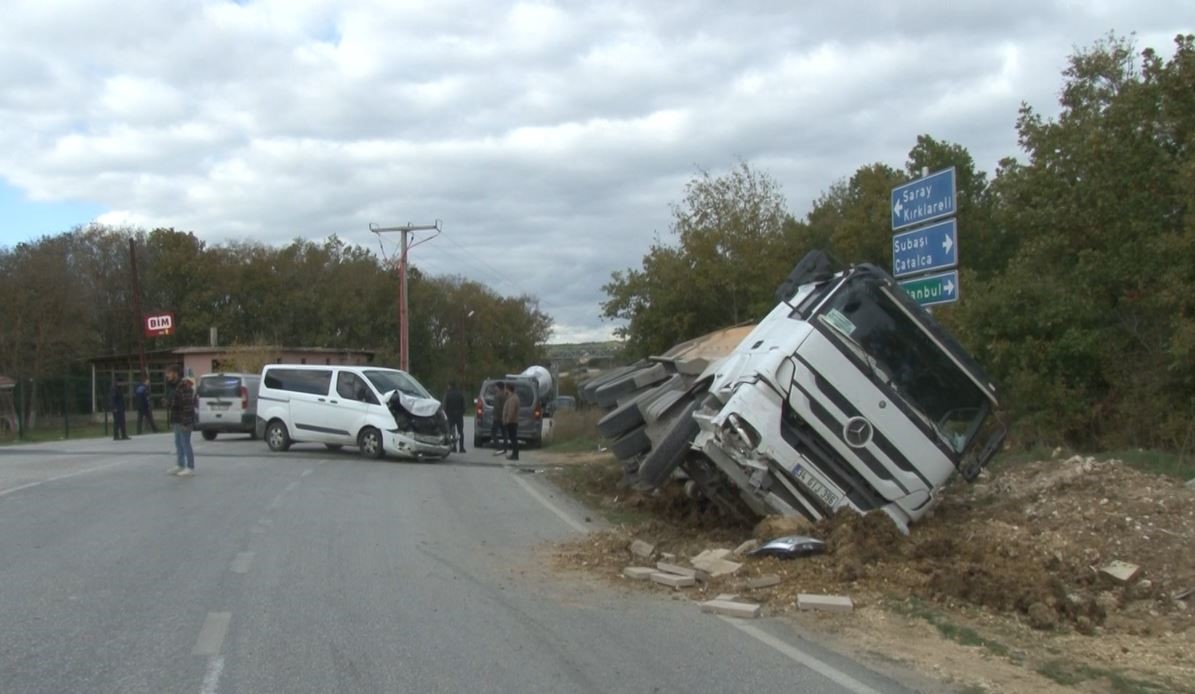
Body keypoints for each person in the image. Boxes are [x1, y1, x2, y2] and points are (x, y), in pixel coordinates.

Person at [166, 366, 197, 476]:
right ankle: (180, 464)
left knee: (185, 443)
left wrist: (186, 422)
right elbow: (174, 402)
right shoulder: (171, 386)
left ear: (175, 373)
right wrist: (167, 403)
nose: (167, 375)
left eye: (169, 373)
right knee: (178, 443)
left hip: (184, 420)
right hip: (176, 418)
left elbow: (187, 405)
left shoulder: (184, 386)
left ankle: (190, 466)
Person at [443, 381, 466, 453]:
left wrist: (445, 414)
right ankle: (461, 447)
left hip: (450, 415)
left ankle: (453, 447)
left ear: (450, 386)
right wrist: (461, 412)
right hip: (459, 415)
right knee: (460, 432)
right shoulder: (460, 394)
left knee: (450, 432)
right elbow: (464, 405)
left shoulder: (447, 394)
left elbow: (444, 405)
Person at [502, 381, 521, 461]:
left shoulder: (513, 399)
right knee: (513, 438)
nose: (504, 390)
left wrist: (507, 420)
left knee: (513, 439)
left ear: (508, 389)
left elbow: (511, 411)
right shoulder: (511, 398)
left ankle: (515, 455)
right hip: (512, 421)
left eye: (505, 389)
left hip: (512, 422)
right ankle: (514, 454)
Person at [490, 381, 508, 455]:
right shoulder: (505, 395)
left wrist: (497, 415)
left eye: (496, 387)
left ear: (498, 387)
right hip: (504, 417)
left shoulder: (497, 396)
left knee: (493, 432)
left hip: (497, 417)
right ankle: (505, 447)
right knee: (504, 433)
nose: (495, 388)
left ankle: (498, 447)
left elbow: (497, 407)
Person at [110, 376, 129, 440]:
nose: (123, 384)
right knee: (117, 422)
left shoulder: (120, 388)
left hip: (121, 408)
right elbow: (113, 399)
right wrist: (114, 408)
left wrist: (124, 407)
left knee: (122, 422)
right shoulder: (114, 389)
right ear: (118, 382)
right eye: (122, 383)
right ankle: (116, 436)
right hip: (116, 408)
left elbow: (122, 399)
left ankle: (124, 435)